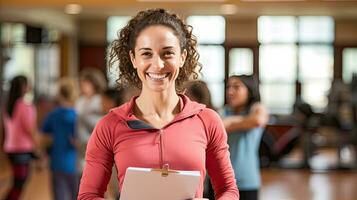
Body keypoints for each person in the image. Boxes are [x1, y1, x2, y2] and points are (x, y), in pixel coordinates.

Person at [78, 8, 239, 200]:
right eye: (146, 54)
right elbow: (88, 195)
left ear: (182, 57)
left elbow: (229, 190)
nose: (158, 64)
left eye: (167, 53)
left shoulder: (207, 120)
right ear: (133, 59)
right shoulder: (109, 126)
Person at [222, 75, 269, 200]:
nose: (230, 91)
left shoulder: (257, 109)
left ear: (249, 90)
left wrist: (231, 122)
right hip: (221, 180)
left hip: (247, 181)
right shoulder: (223, 111)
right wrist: (242, 123)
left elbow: (258, 120)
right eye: (229, 87)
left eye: (236, 87)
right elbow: (219, 125)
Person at [40, 77, 79, 200]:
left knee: (59, 196)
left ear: (59, 94)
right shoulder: (77, 115)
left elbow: (43, 137)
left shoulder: (53, 115)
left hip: (57, 162)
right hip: (75, 163)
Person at [3, 75, 39, 200]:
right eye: (27, 83)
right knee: (19, 182)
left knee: (17, 181)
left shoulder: (8, 105)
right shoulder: (25, 106)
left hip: (10, 148)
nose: (29, 86)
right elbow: (30, 130)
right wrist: (38, 147)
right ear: (22, 87)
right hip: (22, 149)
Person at [75, 67, 107, 171]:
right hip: (80, 145)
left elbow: (103, 123)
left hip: (95, 142)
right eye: (82, 83)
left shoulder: (100, 101)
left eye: (87, 83)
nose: (84, 87)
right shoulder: (80, 101)